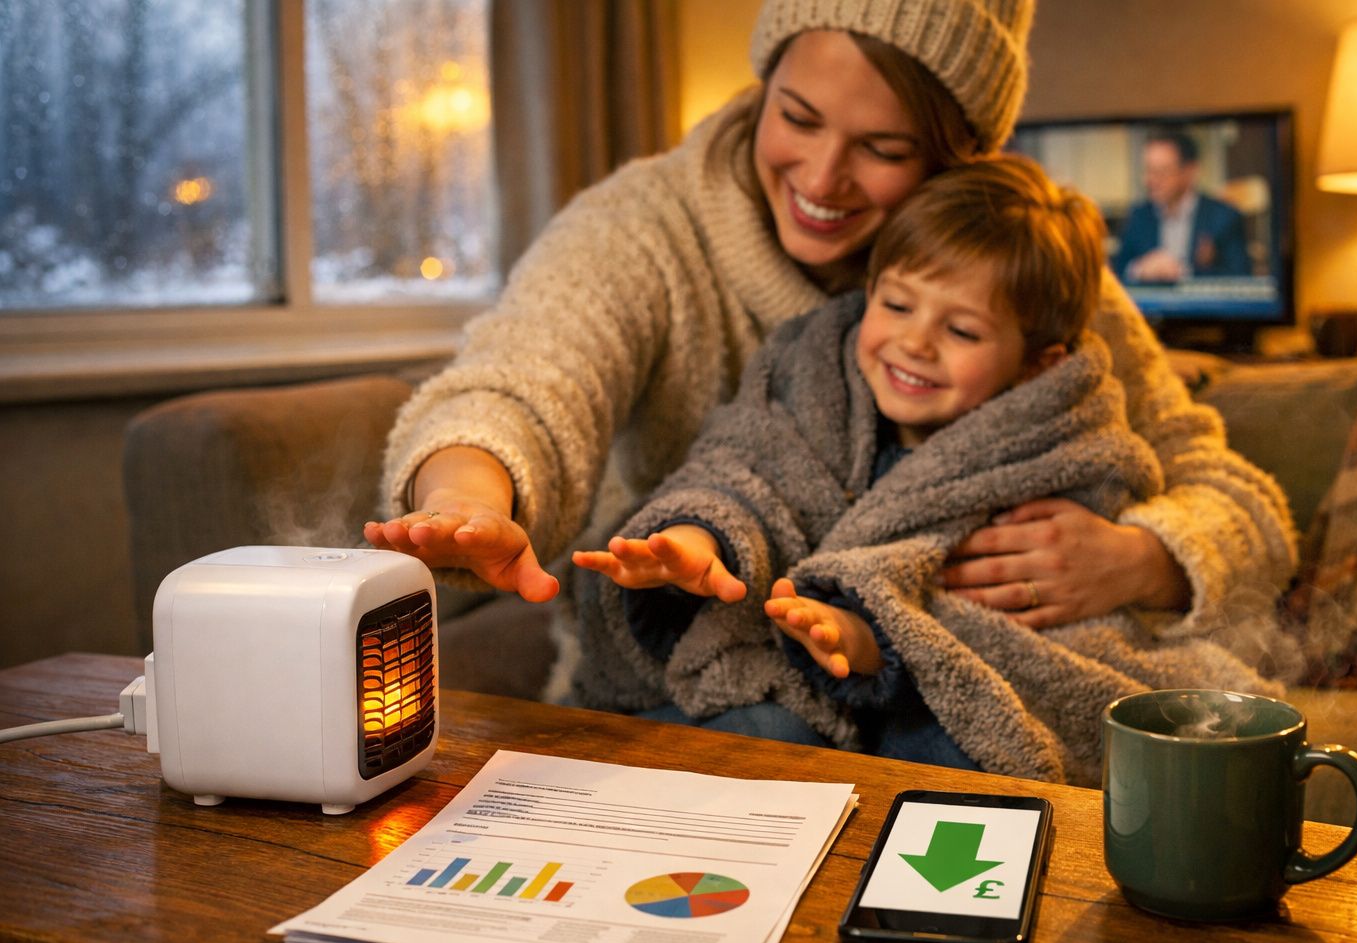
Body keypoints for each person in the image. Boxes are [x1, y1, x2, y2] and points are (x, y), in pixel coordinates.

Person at [363, 0, 1296, 718]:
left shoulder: (1025, 265)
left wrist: (1144, 560)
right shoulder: (641, 229)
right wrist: (465, 501)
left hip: (950, 711)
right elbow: (521, 387)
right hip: (694, 701)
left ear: (961, 156)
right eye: (797, 117)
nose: (820, 179)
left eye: (881, 148)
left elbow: (1229, 492)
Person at [570, 156, 1284, 780]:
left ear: (1040, 362)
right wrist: (699, 540)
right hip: (794, 684)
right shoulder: (814, 377)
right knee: (760, 735)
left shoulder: (1063, 447)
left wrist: (875, 638)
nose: (914, 342)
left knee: (956, 755)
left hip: (939, 704)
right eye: (898, 303)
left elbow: (1034, 637)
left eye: (963, 330)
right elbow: (742, 472)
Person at [1112, 130, 1252, 283]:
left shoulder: (1223, 216)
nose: (1150, 180)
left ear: (1190, 171)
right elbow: (1117, 271)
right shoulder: (1138, 216)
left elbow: (1241, 278)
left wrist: (1182, 273)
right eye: (1148, 171)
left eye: (1161, 171)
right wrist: (1139, 269)